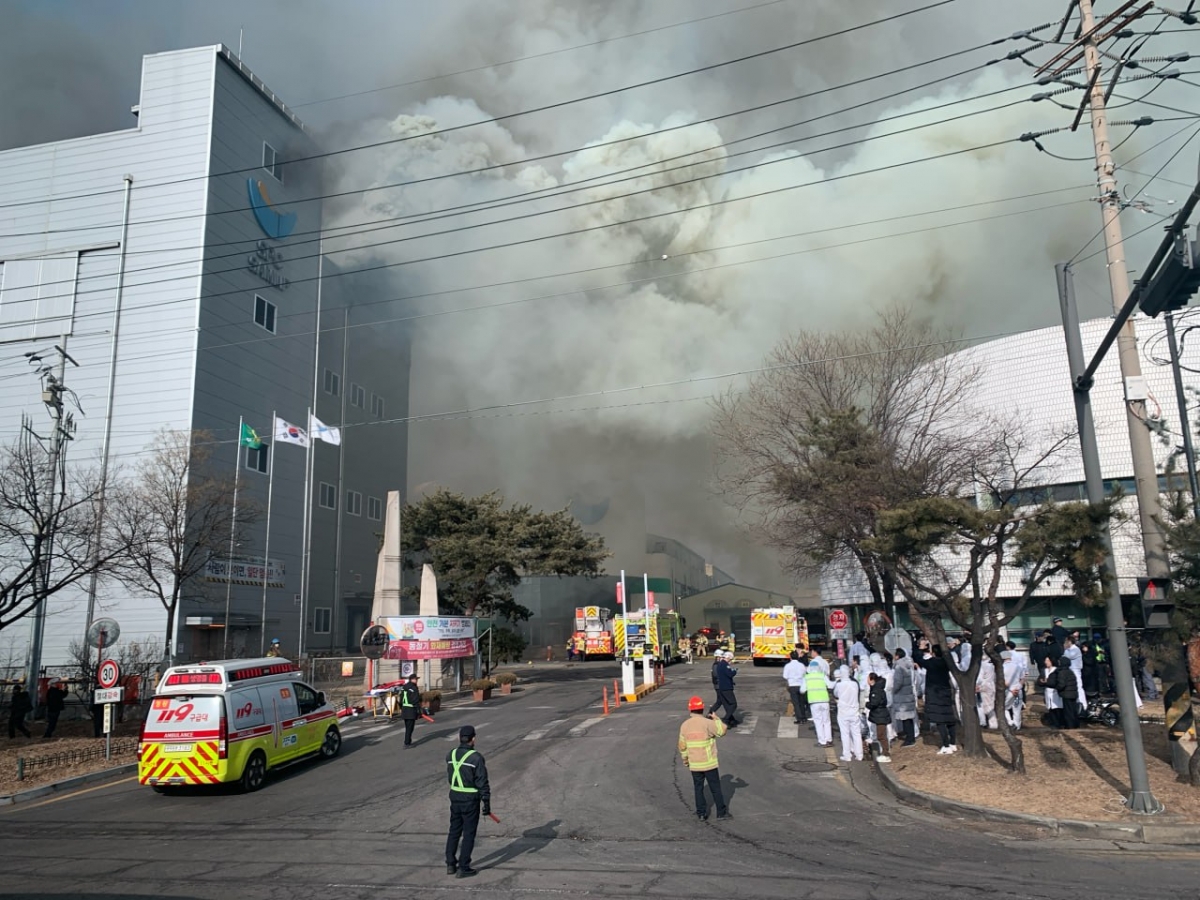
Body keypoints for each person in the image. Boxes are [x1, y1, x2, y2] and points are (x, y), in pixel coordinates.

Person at [445, 725, 490, 878]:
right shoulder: (476, 758)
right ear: (473, 739)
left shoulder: (450, 755)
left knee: (454, 831)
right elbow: (482, 782)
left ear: (460, 738)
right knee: (468, 833)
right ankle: (464, 867)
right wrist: (486, 802)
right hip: (470, 800)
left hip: (455, 797)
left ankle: (450, 863)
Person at [678, 695, 729, 820]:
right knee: (715, 788)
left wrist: (686, 761)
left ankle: (701, 813)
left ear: (690, 709)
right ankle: (721, 813)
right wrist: (716, 719)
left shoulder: (684, 726)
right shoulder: (707, 723)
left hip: (695, 764)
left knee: (698, 788)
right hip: (709, 763)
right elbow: (722, 731)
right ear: (702, 708)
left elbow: (682, 746)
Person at [916, 645, 958, 754]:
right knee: (949, 718)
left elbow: (917, 658)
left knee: (940, 720)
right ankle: (953, 743)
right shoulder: (946, 662)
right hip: (946, 691)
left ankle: (945, 745)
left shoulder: (931, 662)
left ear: (933, 653)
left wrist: (920, 648)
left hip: (934, 693)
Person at [803, 658, 835, 747]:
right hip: (825, 701)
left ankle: (822, 741)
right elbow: (831, 685)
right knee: (827, 721)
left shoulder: (807, 677)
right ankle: (829, 740)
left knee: (818, 722)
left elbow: (802, 690)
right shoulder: (822, 675)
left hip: (814, 702)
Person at [833, 666, 863, 761]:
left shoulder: (839, 685)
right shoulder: (854, 684)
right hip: (854, 711)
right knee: (857, 733)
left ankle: (847, 755)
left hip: (843, 711)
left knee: (845, 733)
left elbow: (836, 694)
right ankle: (859, 755)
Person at [890, 648, 917, 747]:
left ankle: (909, 739)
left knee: (905, 718)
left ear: (897, 656)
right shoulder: (907, 665)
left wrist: (894, 690)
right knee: (909, 718)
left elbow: (898, 682)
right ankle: (911, 737)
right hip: (908, 694)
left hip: (902, 697)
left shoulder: (898, 667)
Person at [865, 672, 891, 762]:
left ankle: (886, 754)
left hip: (880, 715)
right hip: (880, 714)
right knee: (882, 735)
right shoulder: (878, 688)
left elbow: (874, 703)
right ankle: (885, 752)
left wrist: (867, 704)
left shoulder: (876, 690)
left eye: (868, 679)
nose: (867, 681)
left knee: (881, 735)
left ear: (872, 679)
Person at [713, 651, 740, 728]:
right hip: (727, 688)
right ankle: (725, 720)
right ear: (727, 658)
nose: (730, 661)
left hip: (722, 687)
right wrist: (734, 671)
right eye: (730, 659)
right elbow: (730, 674)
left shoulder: (720, 664)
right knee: (733, 704)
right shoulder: (725, 665)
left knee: (727, 705)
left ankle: (731, 720)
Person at [782, 651, 809, 724]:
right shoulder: (802, 665)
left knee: (796, 703)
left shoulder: (788, 666)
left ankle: (799, 718)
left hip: (792, 685)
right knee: (802, 702)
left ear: (790, 657)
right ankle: (803, 717)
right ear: (797, 656)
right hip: (801, 685)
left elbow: (785, 676)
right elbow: (805, 674)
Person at [399, 673, 421, 748]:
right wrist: (419, 711)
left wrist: (401, 708)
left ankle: (407, 741)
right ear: (412, 679)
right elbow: (416, 700)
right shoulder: (414, 688)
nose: (416, 680)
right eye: (416, 679)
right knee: (410, 728)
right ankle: (407, 743)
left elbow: (400, 700)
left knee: (407, 727)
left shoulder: (404, 687)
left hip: (405, 710)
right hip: (411, 710)